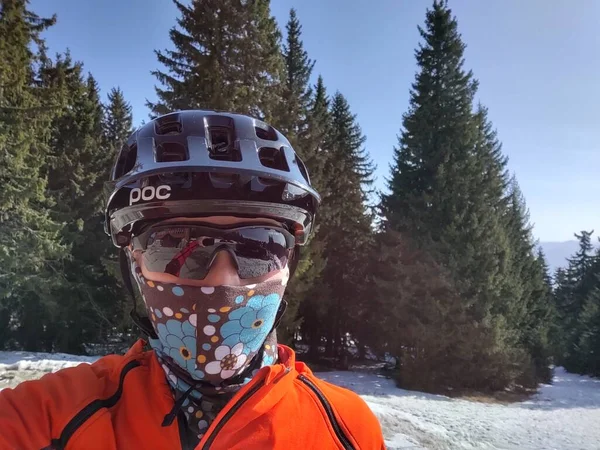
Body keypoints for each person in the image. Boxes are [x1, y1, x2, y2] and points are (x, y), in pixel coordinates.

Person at [0, 110, 385, 449]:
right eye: (173, 244)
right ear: (135, 262)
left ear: (288, 263)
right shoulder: (51, 419)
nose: (222, 281)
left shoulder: (348, 429)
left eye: (259, 246)